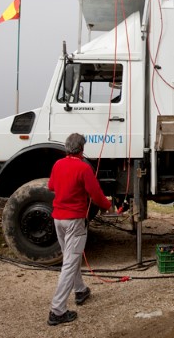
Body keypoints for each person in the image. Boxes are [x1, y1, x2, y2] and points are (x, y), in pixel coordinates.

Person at [46, 133, 115, 326]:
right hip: (75, 221)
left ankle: (80, 290)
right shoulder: (83, 168)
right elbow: (96, 195)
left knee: (70, 257)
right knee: (69, 263)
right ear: (82, 149)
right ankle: (57, 310)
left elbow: (51, 186)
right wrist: (110, 208)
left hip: (58, 219)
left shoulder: (58, 164)